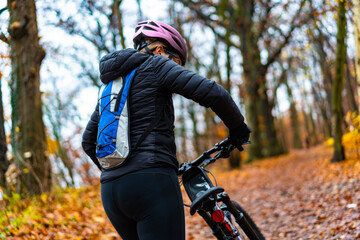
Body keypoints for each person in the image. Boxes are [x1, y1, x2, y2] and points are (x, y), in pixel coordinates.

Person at [82, 20, 251, 240]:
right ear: (161, 50)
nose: (177, 69)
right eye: (177, 62)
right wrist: (238, 129)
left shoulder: (111, 86)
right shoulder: (156, 65)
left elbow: (88, 141)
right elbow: (213, 93)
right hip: (151, 184)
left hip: (112, 193)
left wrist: (120, 171)